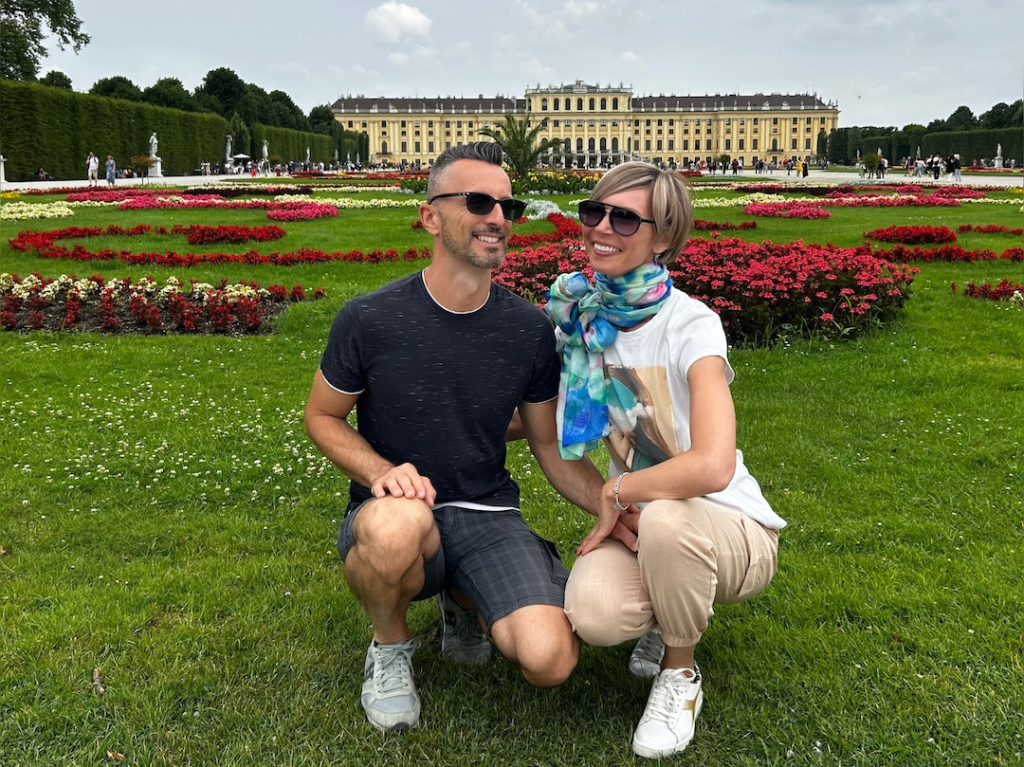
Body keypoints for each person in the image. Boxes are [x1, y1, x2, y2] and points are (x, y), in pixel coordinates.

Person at [305, 142, 604, 734]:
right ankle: (390, 648)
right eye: (478, 201)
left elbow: (547, 446)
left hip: (486, 513)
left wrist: (616, 506)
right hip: (399, 508)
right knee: (396, 530)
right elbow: (322, 416)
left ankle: (463, 601)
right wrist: (377, 474)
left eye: (507, 205)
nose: (498, 216)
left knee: (550, 660)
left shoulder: (528, 330)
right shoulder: (370, 318)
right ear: (431, 216)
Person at [546, 162, 786, 759]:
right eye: (593, 210)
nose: (602, 226)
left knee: (668, 517)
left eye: (624, 217)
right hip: (649, 518)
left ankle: (680, 673)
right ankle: (663, 611)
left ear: (663, 239)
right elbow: (541, 421)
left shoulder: (692, 324)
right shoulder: (580, 320)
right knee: (595, 615)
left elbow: (713, 466)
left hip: (730, 525)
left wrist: (615, 493)